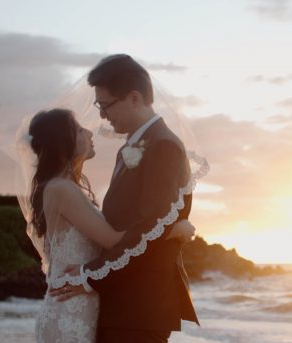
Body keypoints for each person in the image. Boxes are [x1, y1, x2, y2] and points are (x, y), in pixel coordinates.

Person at [48, 54, 201, 343]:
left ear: (134, 98)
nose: (102, 115)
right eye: (99, 106)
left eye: (106, 105)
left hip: (140, 309)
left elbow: (149, 233)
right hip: (122, 304)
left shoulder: (164, 146)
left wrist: (88, 275)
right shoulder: (130, 148)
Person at [25, 108, 195, 343]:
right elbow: (114, 240)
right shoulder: (61, 189)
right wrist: (173, 229)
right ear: (62, 142)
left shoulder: (66, 188)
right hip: (70, 313)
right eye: (78, 130)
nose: (89, 133)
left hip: (81, 307)